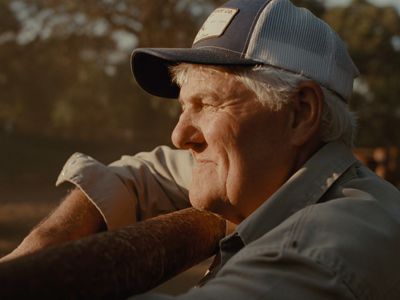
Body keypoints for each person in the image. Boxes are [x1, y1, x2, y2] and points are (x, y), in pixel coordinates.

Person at [1, 0, 400, 299]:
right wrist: (52, 237)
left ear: (300, 113)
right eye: (182, 108)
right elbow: (148, 170)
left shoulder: (323, 254)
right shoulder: (276, 172)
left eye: (207, 104)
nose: (179, 135)